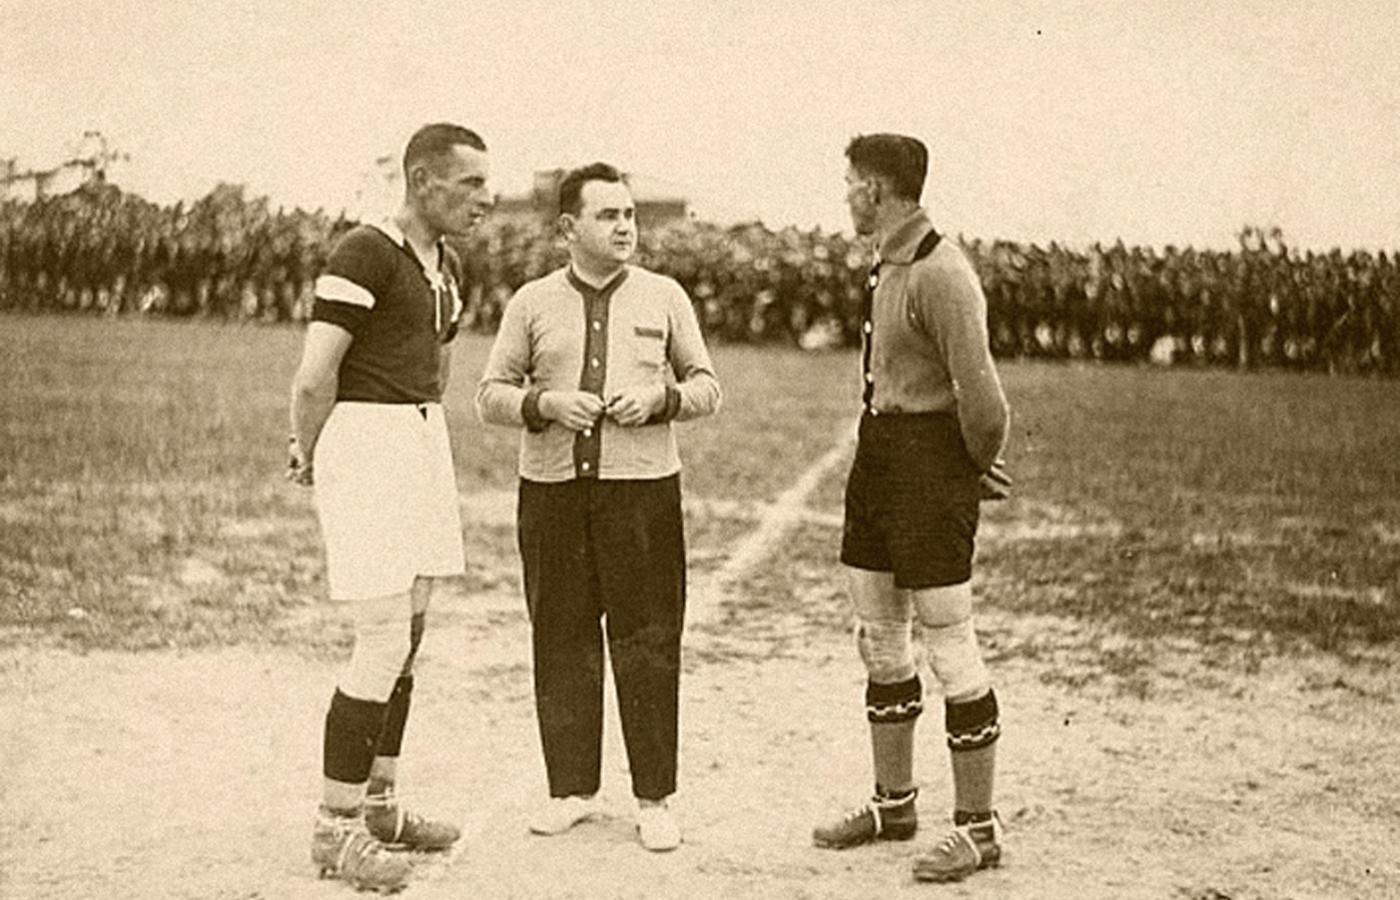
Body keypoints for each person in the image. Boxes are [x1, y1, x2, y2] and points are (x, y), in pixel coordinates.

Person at [476, 162, 720, 853]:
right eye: (608, 215)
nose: (624, 228)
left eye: (630, 215)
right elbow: (489, 394)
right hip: (551, 493)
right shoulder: (531, 303)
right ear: (568, 228)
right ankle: (573, 791)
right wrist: (545, 404)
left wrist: (658, 400)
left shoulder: (665, 296)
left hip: (642, 495)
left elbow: (707, 386)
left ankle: (654, 798)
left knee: (648, 639)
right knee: (561, 637)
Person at [287, 123, 492, 892]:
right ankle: (333, 829)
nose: (485, 198)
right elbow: (315, 376)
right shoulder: (365, 252)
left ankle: (379, 806)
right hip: (367, 440)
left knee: (408, 635)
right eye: (471, 183)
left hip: (420, 438)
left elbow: (439, 362)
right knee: (380, 639)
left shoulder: (449, 265)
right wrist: (310, 450)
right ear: (422, 180)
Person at [811, 133, 1012, 884]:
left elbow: (986, 402)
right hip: (879, 454)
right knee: (880, 639)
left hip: (928, 462)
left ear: (876, 189)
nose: (846, 195)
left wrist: (966, 469)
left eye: (850, 183)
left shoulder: (941, 271)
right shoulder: (888, 262)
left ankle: (979, 829)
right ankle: (893, 804)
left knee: (950, 645)